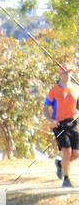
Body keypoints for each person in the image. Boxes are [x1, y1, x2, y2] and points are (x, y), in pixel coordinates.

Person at [43, 60, 79, 188]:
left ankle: (60, 164)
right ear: (59, 74)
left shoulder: (76, 89)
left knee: (76, 154)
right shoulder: (54, 91)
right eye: (64, 72)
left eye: (69, 71)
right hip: (58, 124)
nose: (67, 74)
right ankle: (66, 179)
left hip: (72, 124)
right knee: (66, 150)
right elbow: (45, 108)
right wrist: (50, 120)